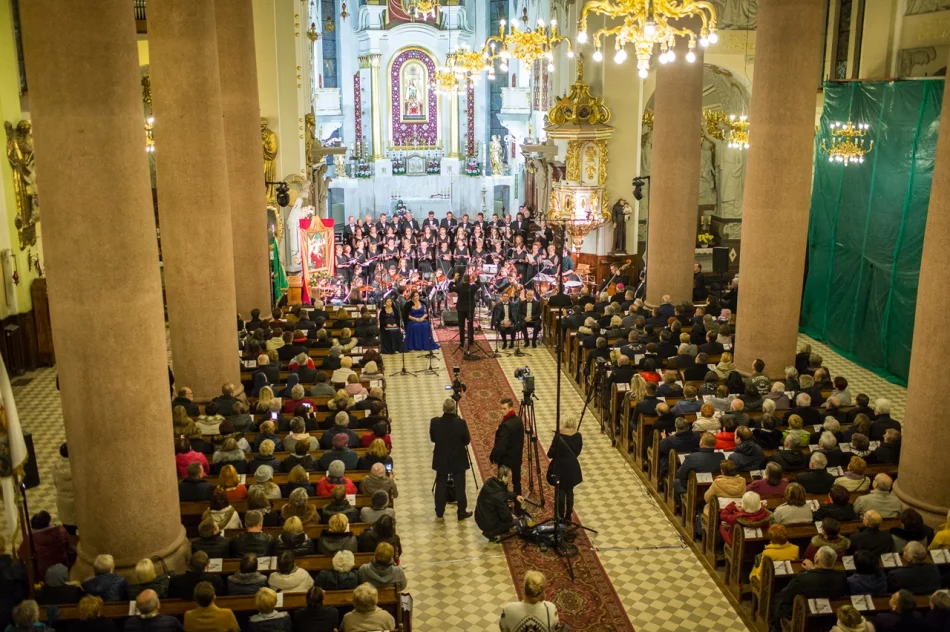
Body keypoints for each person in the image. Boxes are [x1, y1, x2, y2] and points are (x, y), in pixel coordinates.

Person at [771, 546, 848, 627]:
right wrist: (812, 569)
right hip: (829, 618)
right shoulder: (841, 577)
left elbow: (786, 595)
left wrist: (812, 570)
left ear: (816, 559)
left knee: (777, 599)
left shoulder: (803, 578)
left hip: (804, 617)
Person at [430, 398, 472, 520]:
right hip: (457, 458)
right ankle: (461, 511)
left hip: (441, 457)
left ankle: (439, 511)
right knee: (459, 485)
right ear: (454, 409)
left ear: (443, 408)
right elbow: (467, 441)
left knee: (441, 484)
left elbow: (433, 439)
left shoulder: (435, 422)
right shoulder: (461, 423)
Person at [547, 416, 583, 520]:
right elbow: (577, 451)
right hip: (572, 467)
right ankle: (568, 515)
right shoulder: (578, 436)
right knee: (570, 491)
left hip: (560, 467)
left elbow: (551, 454)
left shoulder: (559, 437)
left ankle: (560, 515)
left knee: (561, 491)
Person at [475, 466, 523, 541]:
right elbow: (506, 516)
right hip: (488, 522)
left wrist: (515, 496)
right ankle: (491, 533)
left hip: (480, 516)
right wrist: (513, 518)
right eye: (509, 478)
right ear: (504, 478)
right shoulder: (499, 495)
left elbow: (503, 493)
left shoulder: (491, 482)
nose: (510, 480)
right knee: (514, 521)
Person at [19, 511, 71, 580]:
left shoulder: (30, 540)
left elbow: (22, 555)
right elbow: (69, 546)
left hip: (42, 574)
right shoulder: (61, 531)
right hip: (64, 567)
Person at [489, 398, 525, 497]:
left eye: (504, 409)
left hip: (506, 459)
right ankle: (518, 506)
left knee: (502, 483)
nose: (502, 411)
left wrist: (494, 456)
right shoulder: (518, 420)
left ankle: (503, 504)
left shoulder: (506, 426)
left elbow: (501, 445)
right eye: (501, 408)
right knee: (517, 482)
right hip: (517, 456)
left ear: (510, 408)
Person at [450, 273, 480, 352]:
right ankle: (470, 340)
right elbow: (479, 284)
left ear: (463, 279)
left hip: (461, 308)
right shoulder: (472, 287)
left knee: (461, 325)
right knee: (470, 324)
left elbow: (450, 287)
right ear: (469, 279)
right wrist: (475, 279)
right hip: (470, 308)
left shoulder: (459, 287)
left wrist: (454, 279)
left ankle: (462, 342)